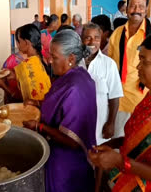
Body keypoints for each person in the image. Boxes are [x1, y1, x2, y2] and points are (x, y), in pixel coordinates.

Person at [23, 29, 96, 192]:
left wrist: (38, 127)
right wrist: (38, 103)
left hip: (67, 164)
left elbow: (72, 140)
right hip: (61, 156)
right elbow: (59, 104)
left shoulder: (75, 87)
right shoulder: (74, 76)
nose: (49, 61)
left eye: (54, 57)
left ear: (71, 58)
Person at [89, 35, 151, 192]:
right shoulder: (148, 98)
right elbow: (139, 138)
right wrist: (114, 143)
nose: (138, 67)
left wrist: (120, 161)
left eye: (145, 62)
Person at [108, 0, 151, 138]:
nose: (136, 10)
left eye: (141, 6)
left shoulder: (150, 36)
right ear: (126, 9)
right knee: (118, 145)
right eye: (132, 6)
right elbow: (111, 67)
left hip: (143, 102)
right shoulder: (117, 33)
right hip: (117, 102)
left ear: (147, 9)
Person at [81, 23, 123, 145]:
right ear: (82, 39)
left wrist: (111, 123)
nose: (92, 42)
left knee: (98, 157)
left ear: (101, 39)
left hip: (99, 125)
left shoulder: (109, 64)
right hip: (77, 124)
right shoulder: (74, 62)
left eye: (96, 38)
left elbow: (114, 96)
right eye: (88, 37)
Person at [0, 24, 51, 103]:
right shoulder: (43, 59)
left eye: (19, 41)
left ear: (26, 43)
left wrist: (2, 85)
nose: (18, 44)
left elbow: (20, 98)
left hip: (32, 111)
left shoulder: (26, 65)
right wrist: (14, 75)